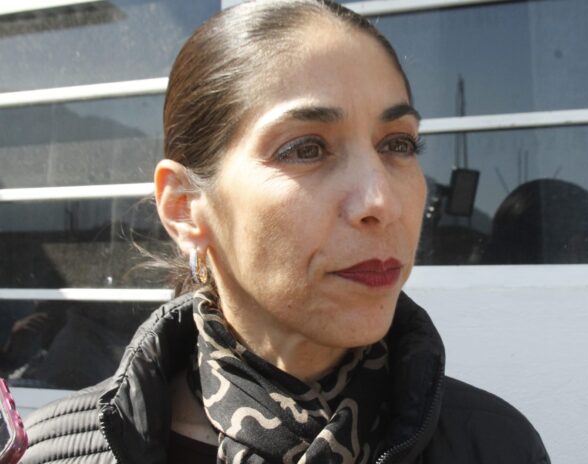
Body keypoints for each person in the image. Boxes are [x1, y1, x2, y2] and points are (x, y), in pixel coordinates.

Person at [21, 1, 550, 462]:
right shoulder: (60, 452)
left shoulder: (494, 446)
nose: (382, 202)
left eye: (398, 144)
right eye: (306, 149)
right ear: (184, 208)